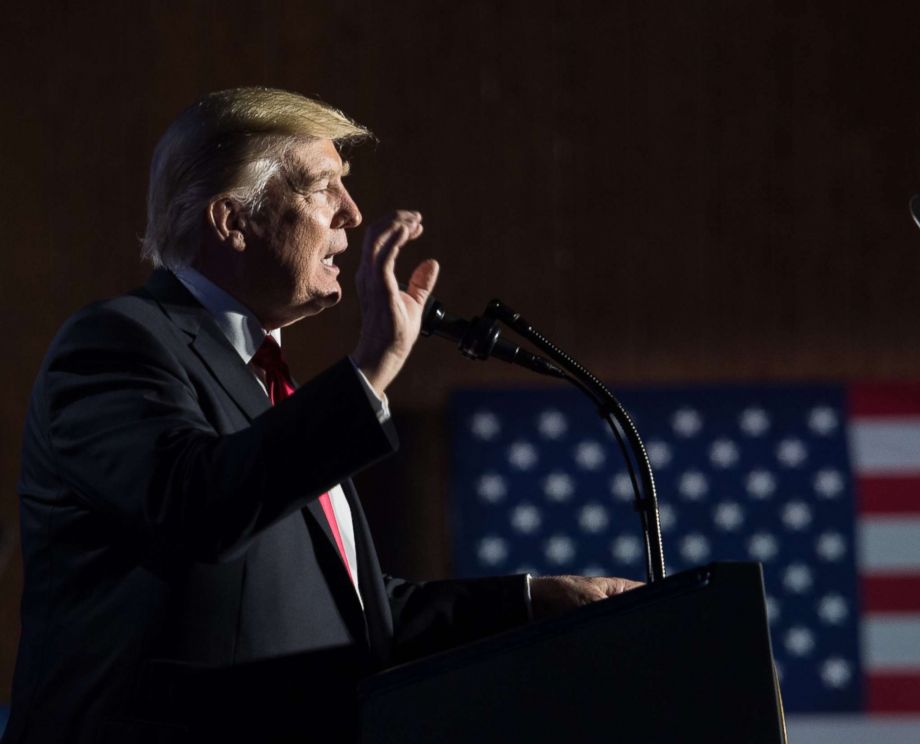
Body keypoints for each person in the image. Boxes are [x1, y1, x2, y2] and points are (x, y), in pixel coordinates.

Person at [6, 87, 640, 743]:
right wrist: (369, 369)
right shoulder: (116, 343)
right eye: (321, 188)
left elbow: (360, 614)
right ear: (231, 220)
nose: (352, 213)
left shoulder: (271, 388)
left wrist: (535, 600)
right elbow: (194, 505)